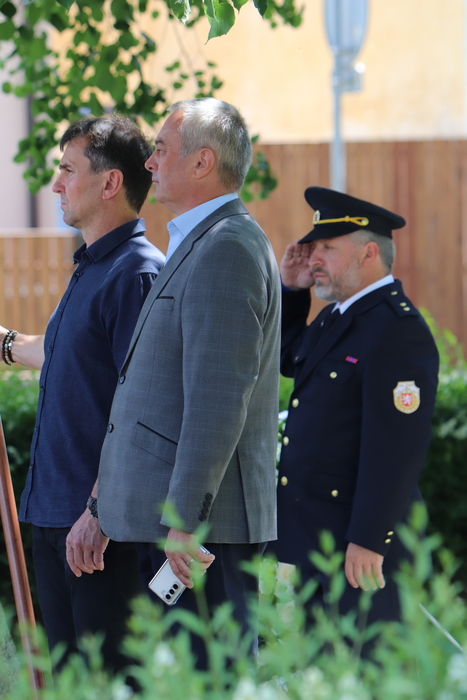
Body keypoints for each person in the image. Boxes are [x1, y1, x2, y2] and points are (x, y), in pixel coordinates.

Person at [96, 97, 281, 667]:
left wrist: (184, 521)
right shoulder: (206, 239)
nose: (149, 163)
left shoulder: (225, 247)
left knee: (207, 681)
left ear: (202, 162)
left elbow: (217, 401)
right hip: (184, 531)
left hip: (198, 535)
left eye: (160, 149)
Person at [0, 114, 165, 676]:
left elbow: (143, 410)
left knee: (108, 683)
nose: (56, 185)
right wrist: (5, 345)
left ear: (110, 182)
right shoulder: (94, 266)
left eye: (68, 170)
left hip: (98, 533)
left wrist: (99, 511)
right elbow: (63, 356)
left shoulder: (137, 274)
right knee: (72, 684)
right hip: (55, 519)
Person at [272, 186, 439, 639]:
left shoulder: (397, 329)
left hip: (359, 547)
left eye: (327, 247)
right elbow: (289, 359)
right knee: (324, 664)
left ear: (369, 253)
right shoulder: (339, 317)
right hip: (319, 540)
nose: (313, 257)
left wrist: (369, 538)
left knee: (364, 663)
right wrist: (292, 291)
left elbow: (397, 450)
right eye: (314, 248)